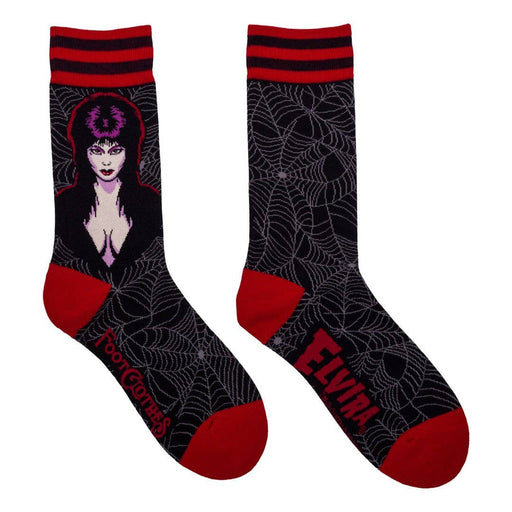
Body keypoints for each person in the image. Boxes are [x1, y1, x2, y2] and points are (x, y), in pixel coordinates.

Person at [55, 92, 161, 270]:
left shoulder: (148, 202)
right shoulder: (67, 203)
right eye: (96, 151)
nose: (106, 161)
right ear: (83, 152)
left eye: (115, 151)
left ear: (129, 152)